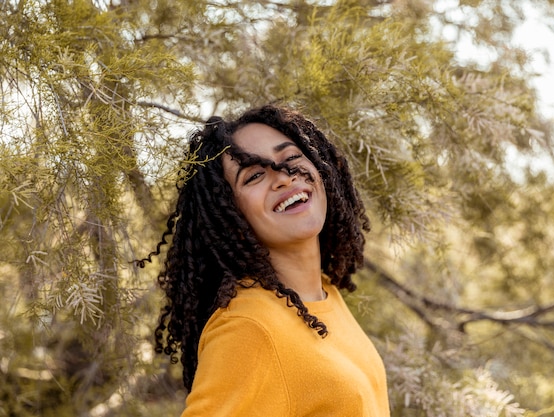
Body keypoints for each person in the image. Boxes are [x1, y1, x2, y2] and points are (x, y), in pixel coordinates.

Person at [139, 105, 390, 416]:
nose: (284, 177)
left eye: (291, 159)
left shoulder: (324, 294)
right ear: (230, 215)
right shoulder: (247, 327)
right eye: (254, 175)